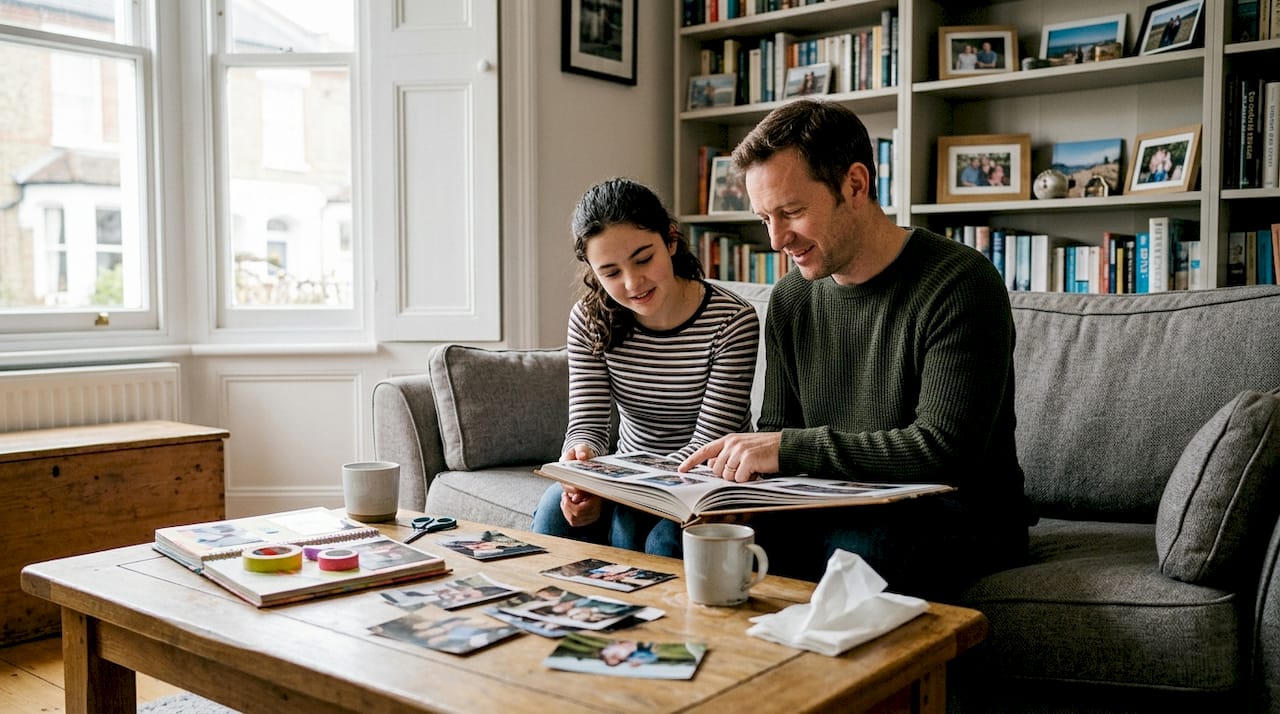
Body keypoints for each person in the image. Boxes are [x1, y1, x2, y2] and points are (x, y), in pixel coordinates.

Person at [679, 98, 1032, 599]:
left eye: (792, 212)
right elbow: (779, 432)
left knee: (858, 549)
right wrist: (744, 493)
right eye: (764, 219)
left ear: (855, 185)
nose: (778, 239)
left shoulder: (960, 280)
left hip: (958, 513)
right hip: (833, 504)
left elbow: (944, 449)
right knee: (701, 537)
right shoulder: (791, 298)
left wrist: (786, 449)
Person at [531, 178, 760, 556]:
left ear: (670, 241)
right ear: (592, 270)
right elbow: (586, 426)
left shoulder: (732, 320)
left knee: (658, 540)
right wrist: (581, 465)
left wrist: (624, 491)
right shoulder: (589, 319)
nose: (633, 283)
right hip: (627, 477)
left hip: (706, 479)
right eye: (611, 272)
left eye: (643, 259)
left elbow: (707, 445)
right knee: (555, 513)